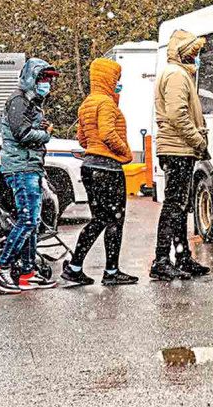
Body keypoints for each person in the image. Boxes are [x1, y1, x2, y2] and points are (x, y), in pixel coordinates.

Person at [0, 58, 59, 294]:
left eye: (49, 79)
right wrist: (45, 134)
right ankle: (0, 268)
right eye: (42, 79)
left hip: (29, 166)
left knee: (32, 221)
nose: (46, 84)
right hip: (21, 168)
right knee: (27, 220)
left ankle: (28, 272)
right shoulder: (18, 100)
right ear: (31, 78)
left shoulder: (30, 102)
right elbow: (22, 133)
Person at [62, 58, 138, 286]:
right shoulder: (106, 104)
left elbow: (82, 139)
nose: (118, 84)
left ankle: (75, 267)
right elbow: (107, 133)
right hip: (108, 168)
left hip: (90, 166)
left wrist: (94, 149)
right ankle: (111, 271)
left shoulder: (87, 103)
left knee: (98, 219)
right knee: (115, 219)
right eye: (117, 79)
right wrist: (125, 153)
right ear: (108, 78)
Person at [150, 30, 211, 282]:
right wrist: (198, 141)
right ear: (183, 53)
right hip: (178, 148)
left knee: (178, 205)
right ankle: (162, 259)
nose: (196, 58)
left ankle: (181, 255)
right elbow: (177, 114)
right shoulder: (177, 75)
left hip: (177, 148)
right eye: (193, 53)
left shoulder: (177, 74)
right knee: (174, 206)